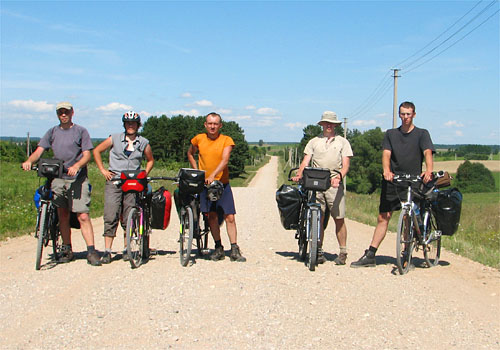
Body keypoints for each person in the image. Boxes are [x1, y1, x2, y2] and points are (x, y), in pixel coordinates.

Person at [350, 101, 435, 268]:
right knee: (383, 217)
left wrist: (428, 170)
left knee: (407, 216)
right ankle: (371, 254)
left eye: (408, 114)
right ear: (399, 115)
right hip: (393, 180)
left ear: (414, 115)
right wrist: (386, 170)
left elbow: (427, 152)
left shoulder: (422, 134)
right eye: (402, 114)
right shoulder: (391, 134)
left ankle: (405, 253)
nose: (405, 117)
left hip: (413, 180)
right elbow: (386, 154)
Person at [22, 102, 101, 266]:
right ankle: (67, 249)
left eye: (66, 112)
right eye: (60, 112)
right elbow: (39, 150)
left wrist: (77, 166)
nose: (63, 115)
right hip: (58, 177)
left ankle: (91, 251)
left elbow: (87, 154)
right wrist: (29, 161)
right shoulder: (52, 132)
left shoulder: (80, 131)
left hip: (77, 179)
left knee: (83, 215)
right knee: (62, 214)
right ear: (57, 114)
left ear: (72, 113)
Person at [292, 111, 353, 265]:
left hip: (334, 183)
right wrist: (299, 174)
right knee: (317, 216)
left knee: (338, 218)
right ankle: (317, 249)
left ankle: (343, 251)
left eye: (331, 123)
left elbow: (346, 165)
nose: (328, 126)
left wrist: (339, 177)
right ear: (321, 125)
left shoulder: (343, 142)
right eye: (325, 123)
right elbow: (306, 161)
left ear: (335, 125)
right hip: (315, 181)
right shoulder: (314, 141)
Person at [93, 111, 154, 264]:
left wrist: (144, 173)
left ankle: (127, 248)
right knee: (111, 213)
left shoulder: (144, 142)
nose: (130, 125)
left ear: (138, 125)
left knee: (129, 214)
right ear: (124, 124)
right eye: (128, 123)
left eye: (133, 123)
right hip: (115, 180)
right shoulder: (114, 138)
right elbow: (96, 151)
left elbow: (150, 160)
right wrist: (103, 170)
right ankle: (107, 251)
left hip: (133, 181)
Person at [187, 112, 246, 262]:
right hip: (205, 185)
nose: (212, 126)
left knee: (230, 216)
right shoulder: (198, 139)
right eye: (210, 123)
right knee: (211, 216)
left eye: (215, 124)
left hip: (222, 184)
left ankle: (234, 248)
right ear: (205, 125)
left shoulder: (226, 140)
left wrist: (213, 175)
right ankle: (218, 247)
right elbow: (190, 153)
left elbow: (225, 160)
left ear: (220, 125)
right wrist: (197, 171)